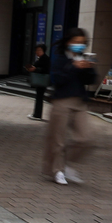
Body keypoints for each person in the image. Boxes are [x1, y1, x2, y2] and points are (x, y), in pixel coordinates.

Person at [42, 28, 98, 185]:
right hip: (62, 102)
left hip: (80, 103)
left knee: (86, 139)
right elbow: (56, 79)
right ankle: (57, 171)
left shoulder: (84, 58)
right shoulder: (60, 59)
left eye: (82, 43)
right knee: (57, 139)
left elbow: (91, 80)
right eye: (75, 42)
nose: (78, 46)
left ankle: (66, 165)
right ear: (68, 42)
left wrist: (88, 68)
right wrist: (74, 67)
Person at [26, 43, 50, 121]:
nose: (37, 52)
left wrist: (35, 69)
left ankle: (37, 115)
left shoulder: (45, 59)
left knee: (39, 98)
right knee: (38, 97)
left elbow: (46, 70)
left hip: (42, 81)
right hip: (40, 81)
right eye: (36, 50)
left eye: (38, 50)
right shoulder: (40, 58)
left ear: (43, 50)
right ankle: (36, 114)